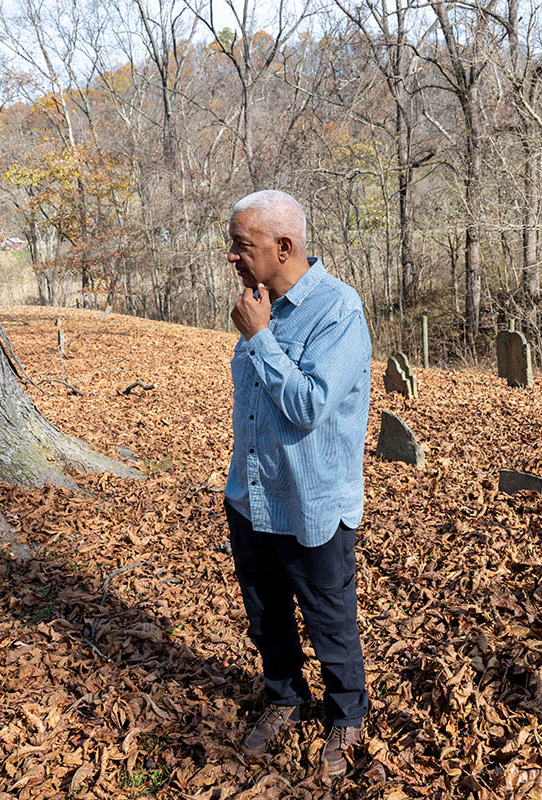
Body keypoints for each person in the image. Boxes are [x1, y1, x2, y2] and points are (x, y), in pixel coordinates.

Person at [223, 189, 371, 778]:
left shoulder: (338, 310)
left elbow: (309, 406)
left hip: (310, 499)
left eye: (242, 245)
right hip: (253, 493)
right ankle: (285, 698)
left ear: (283, 247)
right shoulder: (260, 302)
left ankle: (346, 715)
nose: (232, 256)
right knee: (266, 617)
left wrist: (260, 339)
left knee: (328, 617)